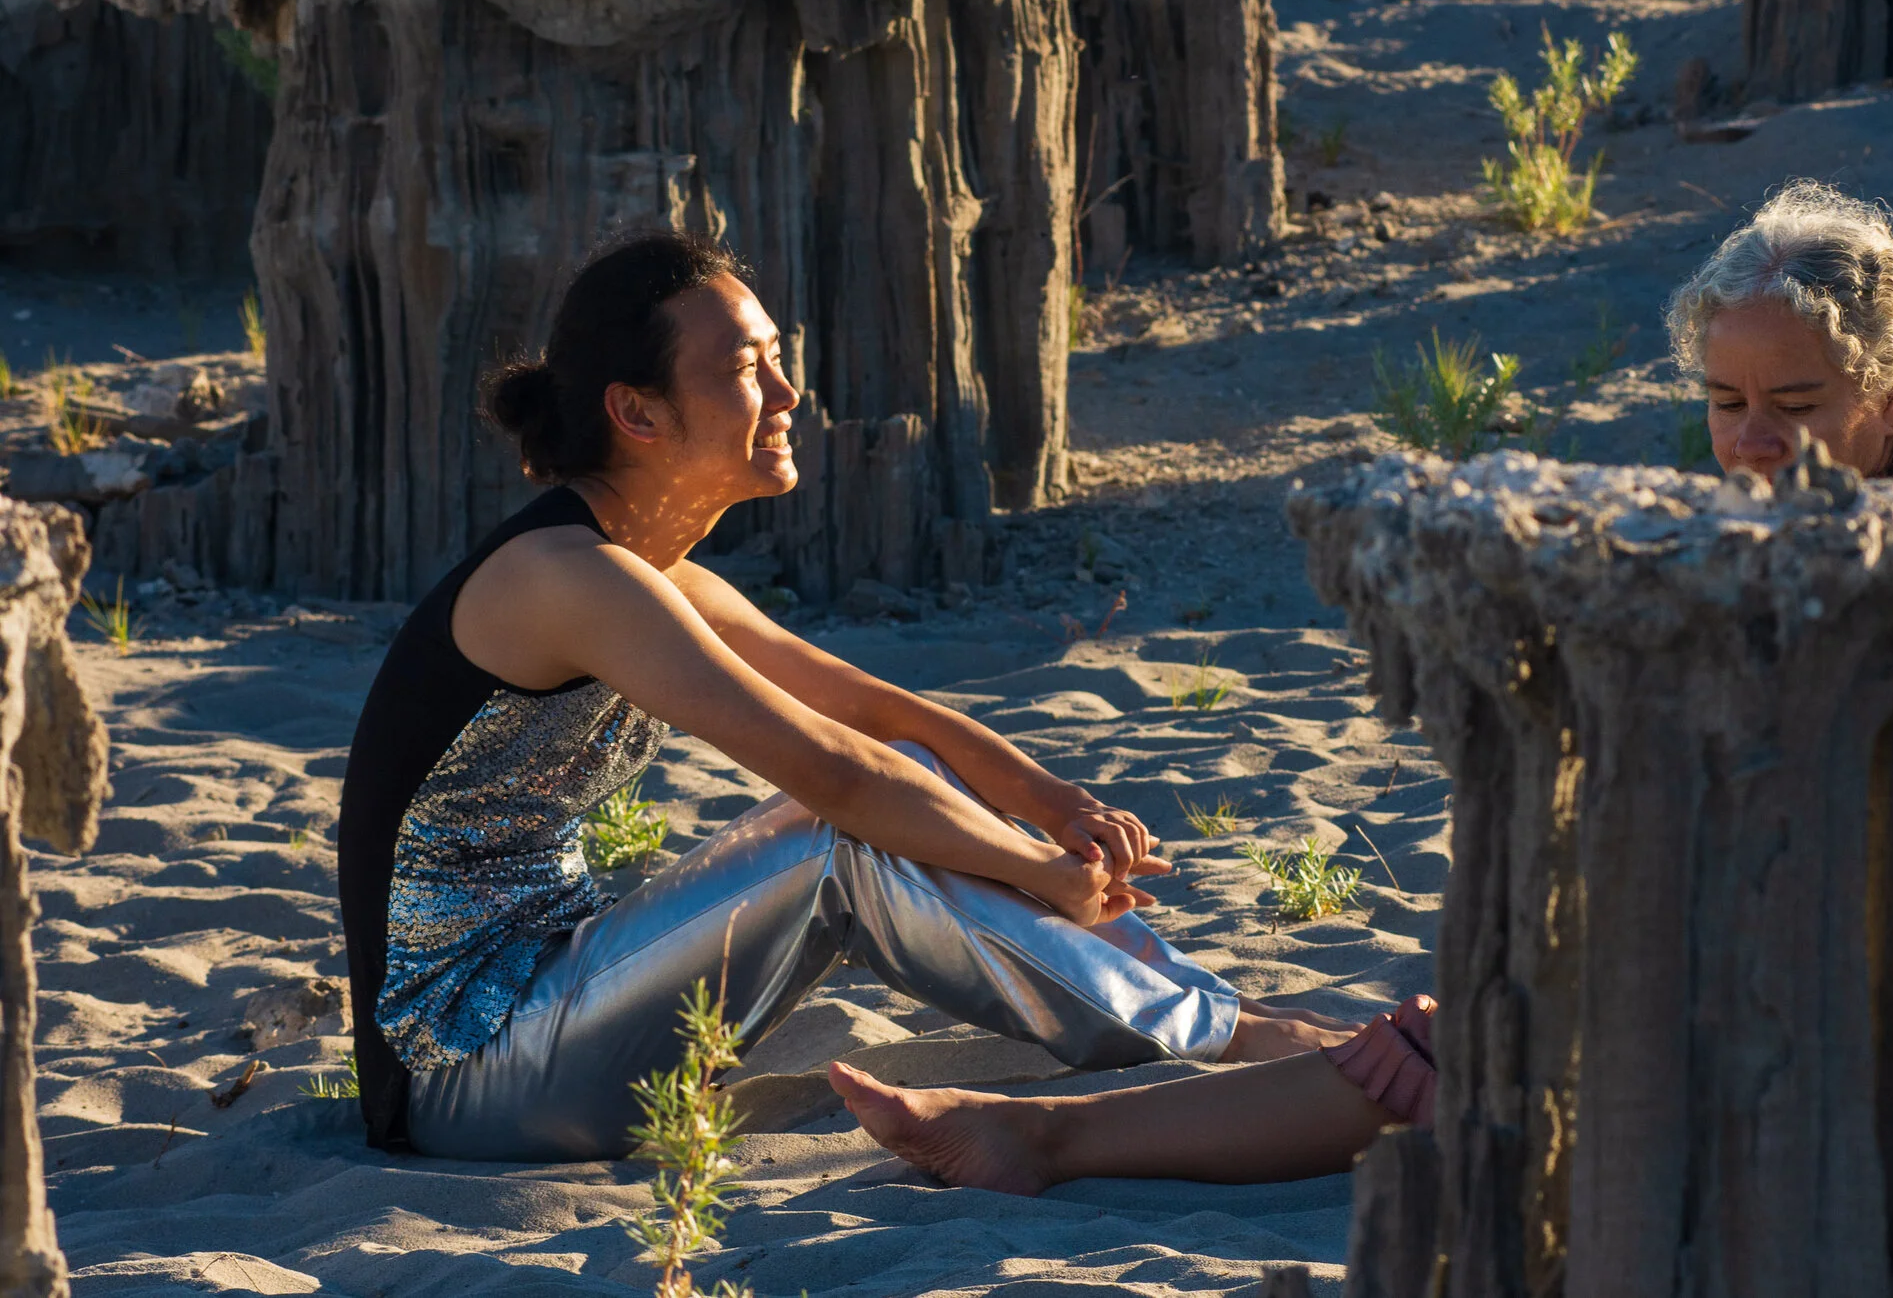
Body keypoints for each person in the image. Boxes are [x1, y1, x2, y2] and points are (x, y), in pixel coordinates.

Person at [826, 181, 1893, 1192]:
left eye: (1795, 403)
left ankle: (1042, 1142)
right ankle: (1057, 1135)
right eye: (1724, 399)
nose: (1749, 437)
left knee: (1516, 1030)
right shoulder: (1802, 554)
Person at [335, 232, 1349, 1163]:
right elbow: (829, 771)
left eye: (781, 355)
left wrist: (1055, 805)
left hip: (563, 981)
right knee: (839, 834)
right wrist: (1038, 867)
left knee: (907, 783)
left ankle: (1220, 1022)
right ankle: (1226, 1041)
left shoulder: (655, 573)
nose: (786, 392)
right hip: (463, 1066)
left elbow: (882, 717)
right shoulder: (564, 575)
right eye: (744, 368)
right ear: (636, 411)